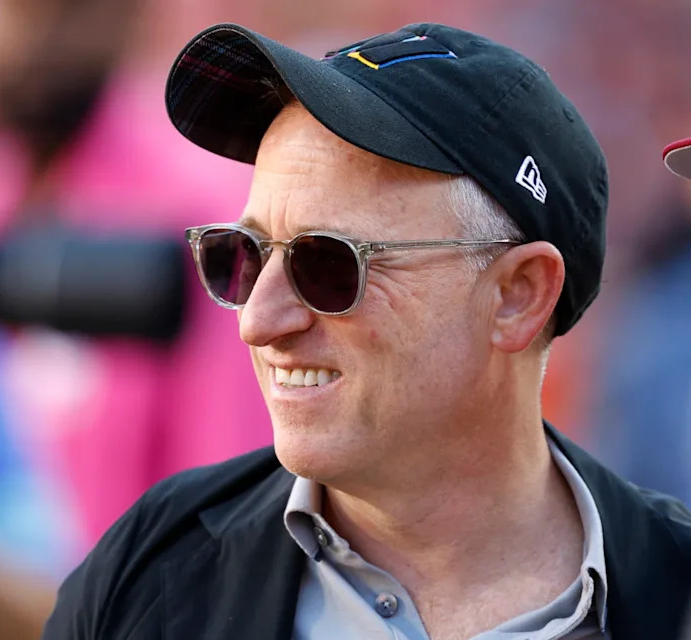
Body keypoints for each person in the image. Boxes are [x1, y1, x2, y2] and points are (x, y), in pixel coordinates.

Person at [43, 22, 691, 640]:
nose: (259, 322)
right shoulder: (149, 567)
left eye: (327, 264)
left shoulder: (672, 583)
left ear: (516, 297)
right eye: (239, 255)